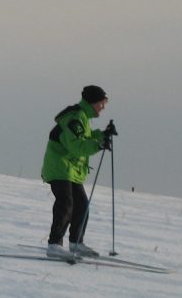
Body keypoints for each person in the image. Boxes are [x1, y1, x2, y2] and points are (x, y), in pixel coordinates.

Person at [41, 85, 116, 258]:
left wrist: (102, 135)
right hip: (59, 167)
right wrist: (99, 144)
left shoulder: (83, 117)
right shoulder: (75, 118)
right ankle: (54, 244)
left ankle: (76, 243)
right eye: (101, 103)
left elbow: (84, 138)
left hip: (70, 169)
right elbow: (76, 146)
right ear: (92, 102)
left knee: (82, 205)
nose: (103, 107)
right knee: (66, 204)